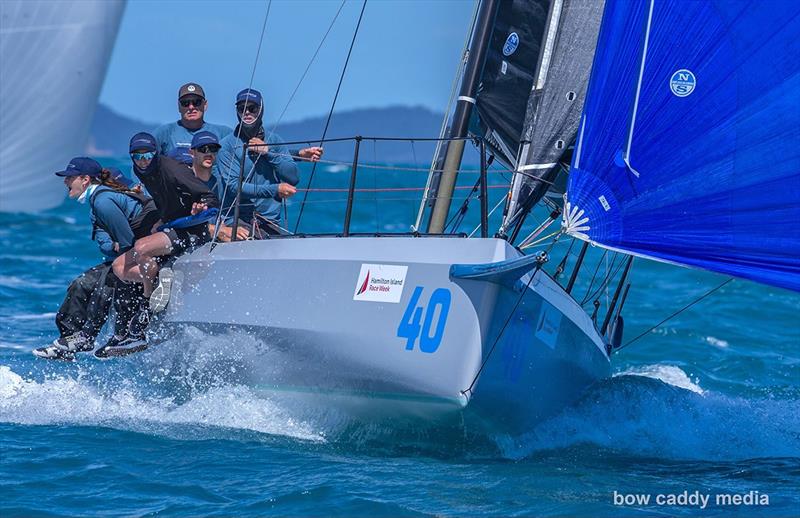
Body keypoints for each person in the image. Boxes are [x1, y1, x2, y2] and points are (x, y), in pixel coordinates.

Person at [33, 158, 160, 360]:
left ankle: (93, 335)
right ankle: (69, 339)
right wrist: (113, 246)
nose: (66, 182)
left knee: (108, 280)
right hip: (128, 253)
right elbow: (113, 243)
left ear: (85, 180)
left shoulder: (102, 201)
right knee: (80, 283)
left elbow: (127, 242)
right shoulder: (97, 202)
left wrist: (119, 252)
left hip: (144, 253)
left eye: (70, 178)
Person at [113, 132, 220, 336]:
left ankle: (147, 303)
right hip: (171, 227)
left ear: (156, 153)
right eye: (138, 156)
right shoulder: (143, 171)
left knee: (141, 248)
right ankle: (162, 277)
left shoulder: (172, 168)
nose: (143, 161)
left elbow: (210, 198)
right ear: (131, 157)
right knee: (119, 267)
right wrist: (162, 219)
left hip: (191, 231)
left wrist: (201, 208)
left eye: (148, 155)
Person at [216, 88, 299, 235]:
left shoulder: (275, 141)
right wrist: (275, 190)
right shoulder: (227, 146)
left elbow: (293, 177)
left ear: (260, 110)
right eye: (242, 108)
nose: (247, 112)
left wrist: (269, 153)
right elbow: (234, 187)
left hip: (270, 221)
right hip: (238, 221)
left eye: (252, 108)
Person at [151, 83, 233, 155]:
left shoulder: (224, 134)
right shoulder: (164, 133)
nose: (191, 107)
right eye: (185, 103)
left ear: (205, 105)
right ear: (179, 106)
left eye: (196, 102)